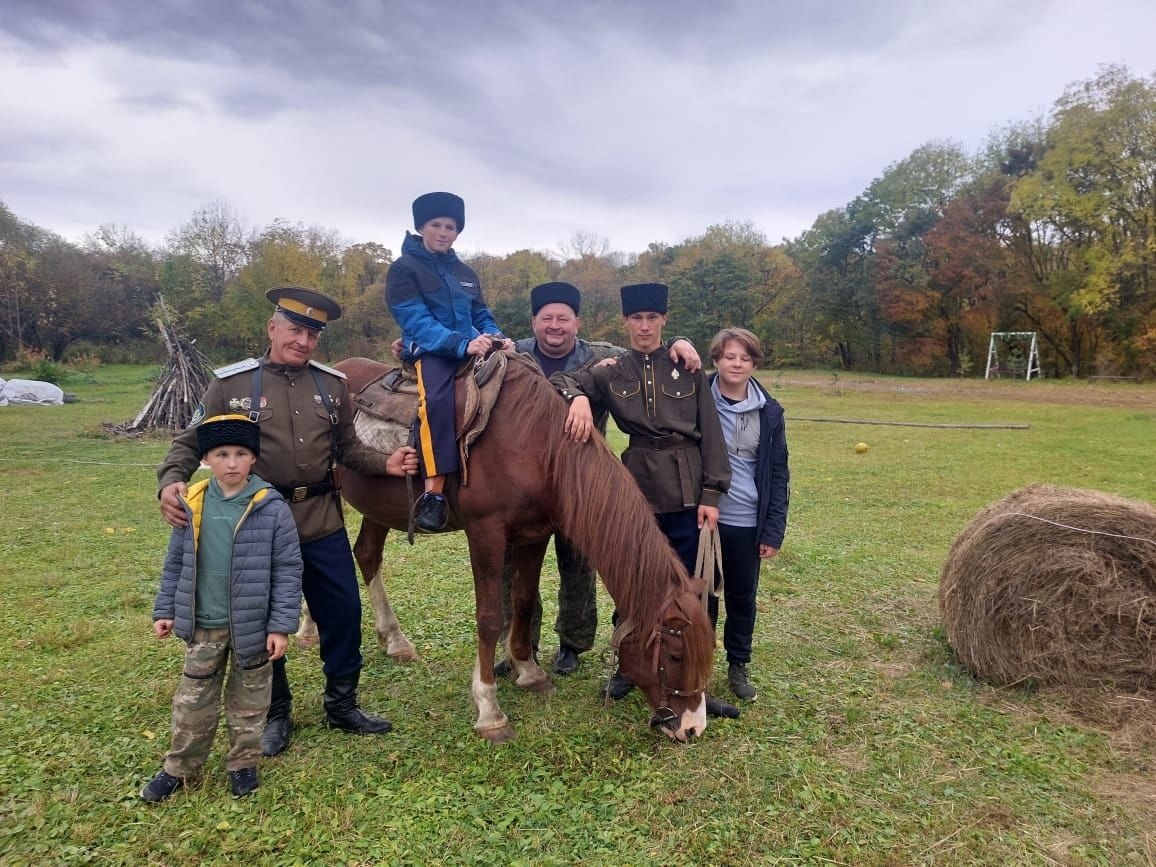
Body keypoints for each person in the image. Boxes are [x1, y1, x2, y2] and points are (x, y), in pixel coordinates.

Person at [158, 286, 420, 758]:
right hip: (256, 522)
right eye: (295, 330)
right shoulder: (232, 386)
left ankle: (342, 705)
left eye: (312, 334)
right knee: (260, 619)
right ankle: (276, 713)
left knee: (343, 613)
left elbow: (348, 449)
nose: (303, 341)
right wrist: (169, 482)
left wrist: (387, 463)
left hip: (321, 518)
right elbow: (190, 440)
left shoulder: (332, 385)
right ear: (273, 328)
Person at [497, 281, 702, 676]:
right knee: (516, 566)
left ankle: (573, 643)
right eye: (547, 318)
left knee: (579, 567)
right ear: (533, 322)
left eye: (563, 318)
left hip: (583, 485)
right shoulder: (514, 356)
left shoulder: (604, 356)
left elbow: (648, 347)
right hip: (523, 485)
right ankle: (520, 642)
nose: (555, 326)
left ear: (577, 322)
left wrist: (682, 341)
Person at [555, 282, 736, 715]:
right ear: (626, 322)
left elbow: (710, 433)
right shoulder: (611, 369)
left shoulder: (687, 367)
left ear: (663, 321)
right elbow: (561, 379)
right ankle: (628, 666)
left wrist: (712, 493)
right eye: (636, 319)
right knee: (633, 584)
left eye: (652, 318)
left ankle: (697, 678)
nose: (644, 326)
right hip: (635, 492)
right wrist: (578, 397)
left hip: (687, 490)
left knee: (697, 590)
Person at [142, 414, 302, 802]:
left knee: (249, 705)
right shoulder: (190, 504)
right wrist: (165, 609)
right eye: (222, 454)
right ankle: (179, 768)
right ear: (206, 460)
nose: (232, 463)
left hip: (253, 629)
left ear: (253, 460)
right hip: (204, 625)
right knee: (192, 702)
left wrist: (280, 626)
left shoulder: (272, 507)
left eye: (241, 454)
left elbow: (287, 569)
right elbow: (176, 562)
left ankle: (242, 765)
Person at [385, 191, 511, 533]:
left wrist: (496, 336)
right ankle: (434, 493)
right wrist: (462, 344)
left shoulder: (466, 272)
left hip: (473, 345)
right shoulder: (404, 269)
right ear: (421, 227)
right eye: (436, 225)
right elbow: (416, 320)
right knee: (438, 402)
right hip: (432, 350)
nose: (443, 232)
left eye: (451, 227)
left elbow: (480, 312)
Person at [708, 328, 789, 701]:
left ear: (754, 363)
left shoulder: (769, 412)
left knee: (742, 598)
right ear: (716, 360)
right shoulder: (698, 399)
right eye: (729, 356)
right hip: (705, 520)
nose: (736, 363)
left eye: (744, 357)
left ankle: (737, 664)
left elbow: (778, 471)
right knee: (701, 598)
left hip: (746, 522)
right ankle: (699, 662)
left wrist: (772, 530)